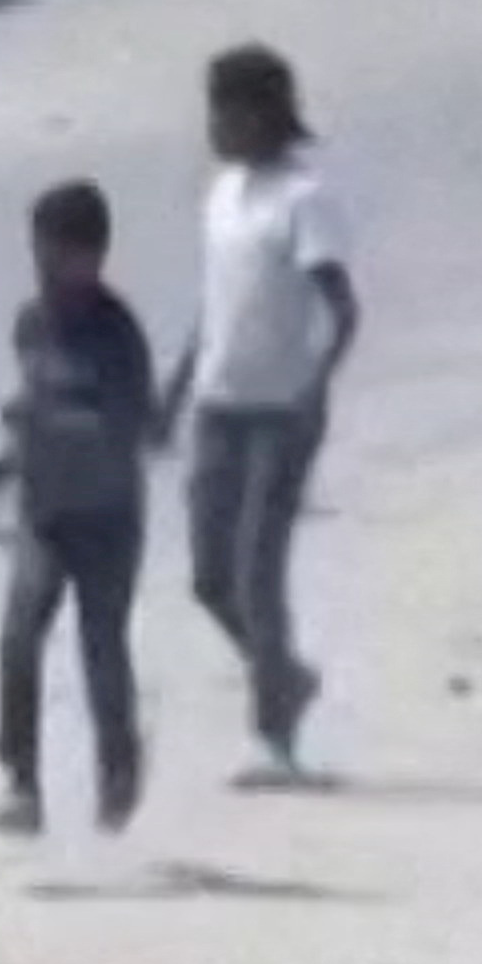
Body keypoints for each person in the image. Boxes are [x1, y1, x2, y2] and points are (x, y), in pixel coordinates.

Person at [161, 45, 358, 781]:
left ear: (264, 114)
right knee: (210, 577)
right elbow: (216, 303)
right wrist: (173, 393)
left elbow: (342, 309)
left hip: (280, 412)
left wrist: (315, 385)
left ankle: (272, 738)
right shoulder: (222, 193)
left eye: (226, 111)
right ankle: (285, 676)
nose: (214, 125)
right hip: (218, 404)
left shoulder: (304, 200)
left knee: (257, 573)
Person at [0, 180, 167, 838]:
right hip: (44, 512)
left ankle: (117, 769)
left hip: (107, 518)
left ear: (92, 256)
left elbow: (134, 429)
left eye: (59, 254)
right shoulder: (31, 322)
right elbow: (28, 395)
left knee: (101, 648)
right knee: (17, 639)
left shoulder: (118, 335)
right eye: (39, 251)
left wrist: (53, 425)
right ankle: (21, 781)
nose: (46, 265)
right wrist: (15, 446)